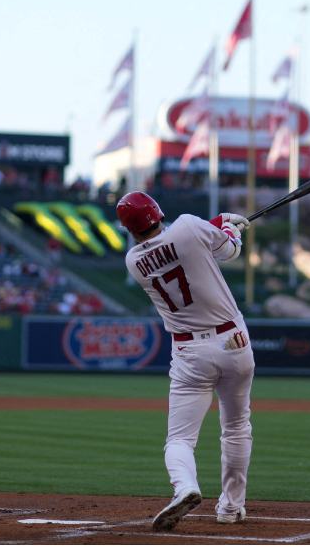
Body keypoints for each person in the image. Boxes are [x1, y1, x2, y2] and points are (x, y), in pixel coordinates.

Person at [116, 192, 255, 531]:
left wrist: (215, 226)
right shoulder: (190, 226)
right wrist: (230, 230)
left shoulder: (134, 261)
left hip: (189, 353)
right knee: (236, 426)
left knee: (179, 439)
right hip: (234, 342)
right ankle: (231, 507)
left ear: (130, 229)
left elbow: (179, 244)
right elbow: (229, 252)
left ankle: (185, 487)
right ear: (157, 213)